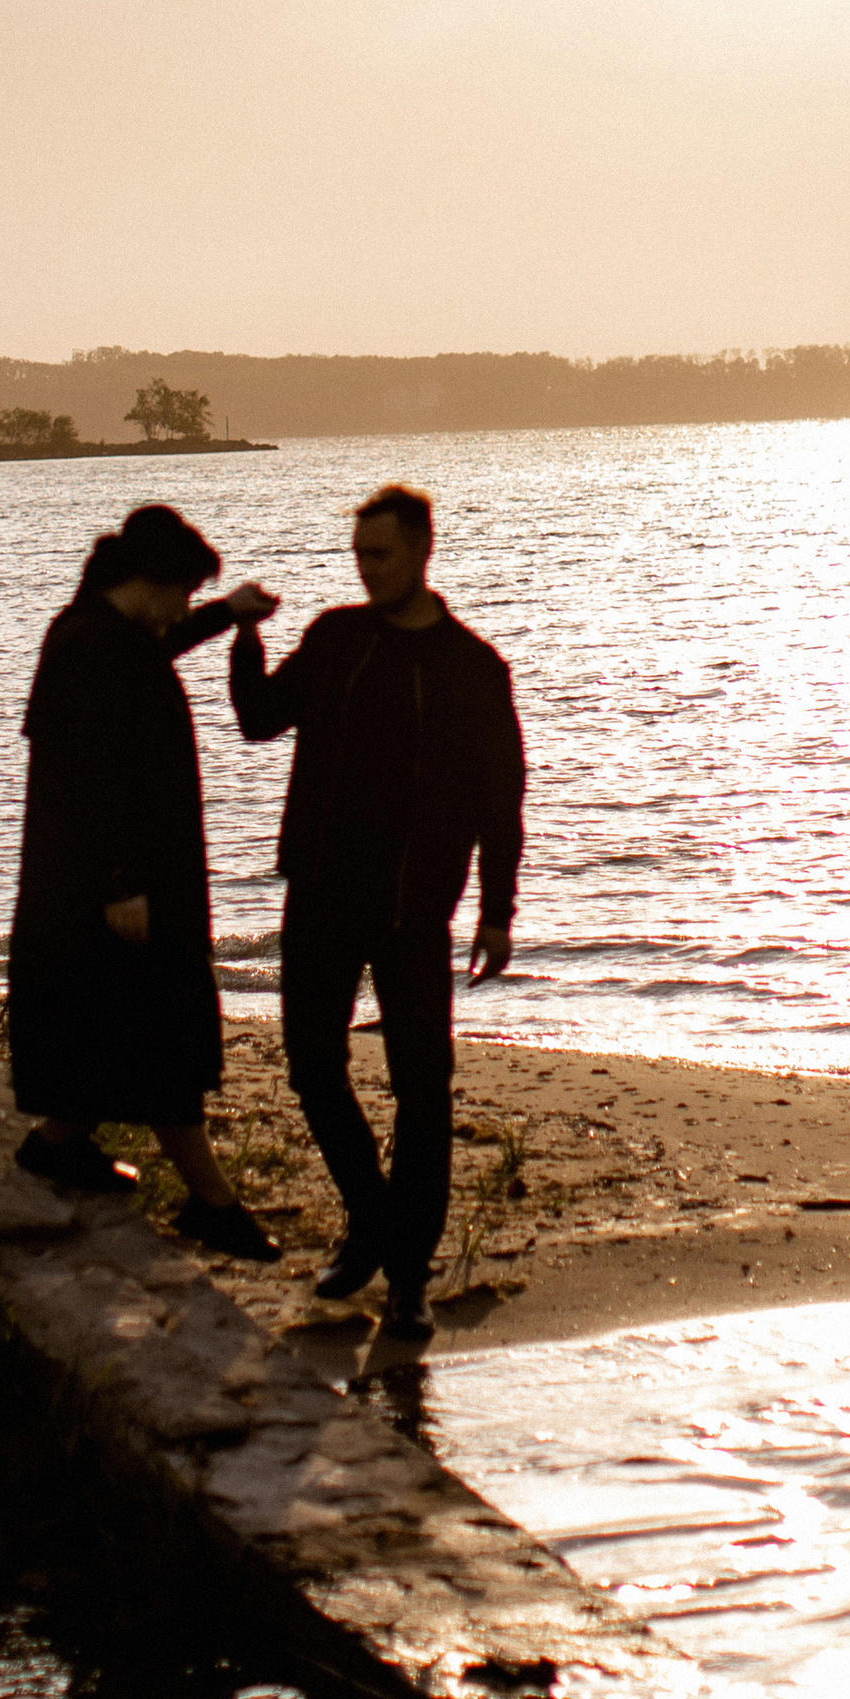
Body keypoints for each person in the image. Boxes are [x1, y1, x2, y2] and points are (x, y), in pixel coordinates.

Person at [228, 484, 524, 1342]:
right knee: (312, 1068)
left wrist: (497, 912)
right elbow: (258, 720)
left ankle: (407, 1279)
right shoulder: (336, 638)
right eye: (358, 555)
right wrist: (244, 634)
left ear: (422, 551)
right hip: (321, 895)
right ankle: (370, 1220)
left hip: (412, 911)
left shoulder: (471, 667)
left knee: (422, 1090)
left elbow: (501, 799)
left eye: (380, 555)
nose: (366, 570)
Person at [9, 502, 283, 1260]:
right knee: (162, 1034)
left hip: (113, 879)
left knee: (110, 1029)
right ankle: (212, 1202)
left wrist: (228, 614)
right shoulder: (91, 648)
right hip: (113, 884)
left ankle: (58, 1145)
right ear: (153, 582)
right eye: (185, 594)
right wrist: (120, 883)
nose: (184, 610)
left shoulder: (105, 632)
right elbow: (90, 779)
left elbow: (159, 646)